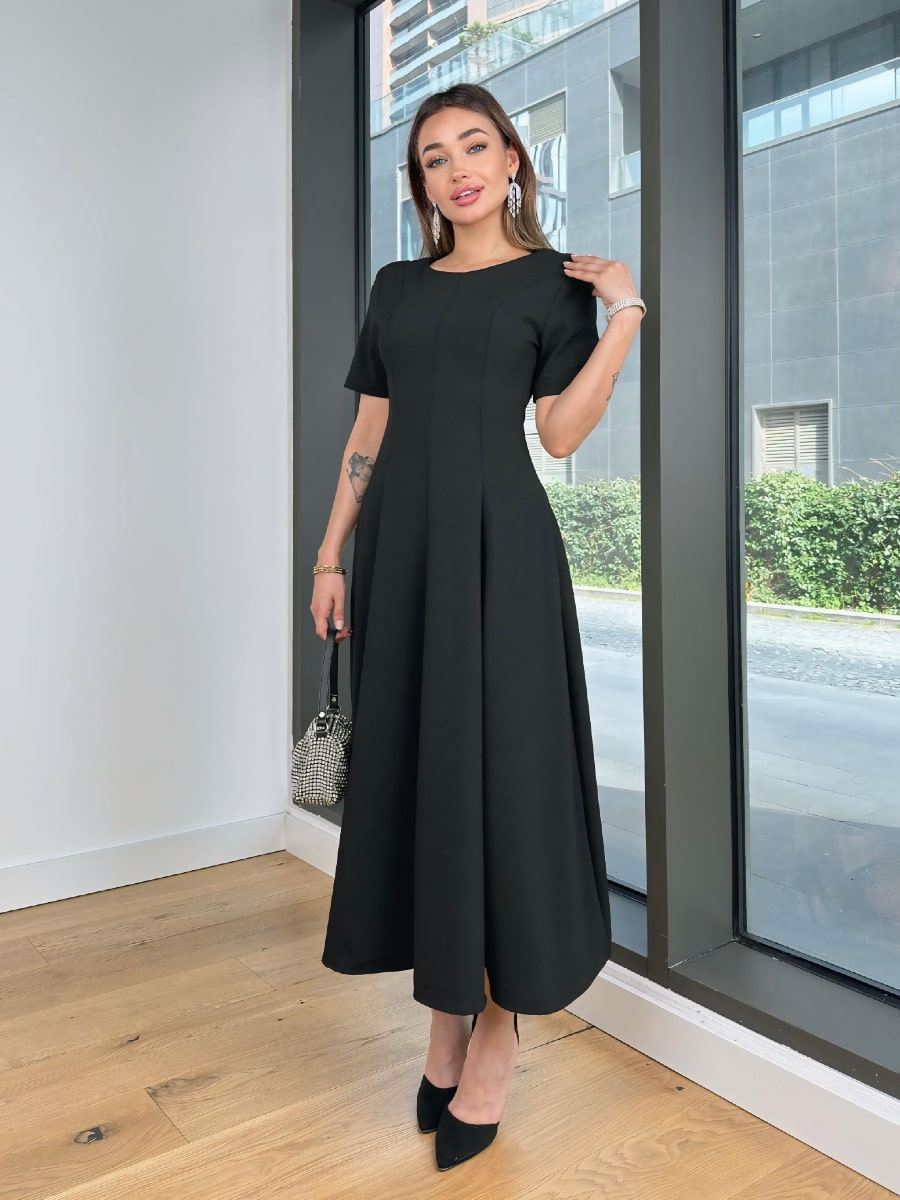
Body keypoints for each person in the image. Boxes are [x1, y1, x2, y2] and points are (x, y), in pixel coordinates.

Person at [310, 82, 644, 1171]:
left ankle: (495, 1030)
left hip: (502, 556)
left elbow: (562, 433)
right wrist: (329, 554)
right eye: (433, 157)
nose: (456, 168)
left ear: (511, 162)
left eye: (473, 146)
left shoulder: (555, 285)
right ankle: (446, 1015)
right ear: (422, 184)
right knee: (425, 776)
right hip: (400, 556)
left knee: (500, 781)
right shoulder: (397, 287)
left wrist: (625, 316)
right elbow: (371, 428)